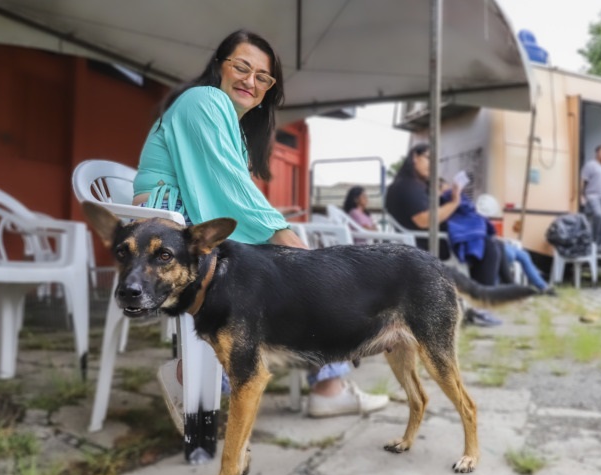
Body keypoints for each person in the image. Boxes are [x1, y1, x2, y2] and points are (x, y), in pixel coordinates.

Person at [132, 30, 388, 427]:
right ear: (220, 65)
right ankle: (319, 386)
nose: (251, 81)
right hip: (168, 228)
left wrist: (279, 236)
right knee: (286, 273)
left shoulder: (227, 123)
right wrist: (281, 233)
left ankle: (300, 382)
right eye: (242, 67)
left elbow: (225, 186)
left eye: (263, 77)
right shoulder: (204, 100)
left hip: (185, 226)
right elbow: (225, 185)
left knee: (277, 276)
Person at [385, 143, 504, 286]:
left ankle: (500, 293)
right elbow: (424, 220)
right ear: (415, 157)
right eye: (429, 158)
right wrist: (454, 202)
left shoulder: (409, 185)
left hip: (430, 239)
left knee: (494, 244)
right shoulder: (407, 186)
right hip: (429, 243)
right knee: (488, 246)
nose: (433, 166)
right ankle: (484, 300)